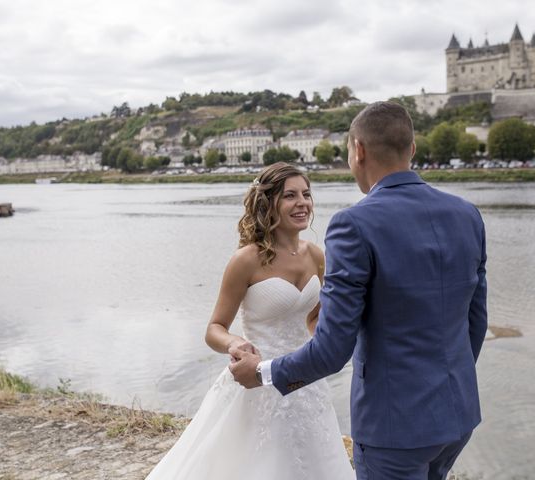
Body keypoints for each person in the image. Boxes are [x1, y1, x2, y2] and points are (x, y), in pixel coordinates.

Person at [230, 102, 488, 480]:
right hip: (458, 415)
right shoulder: (467, 214)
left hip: (394, 426)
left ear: (358, 151)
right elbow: (476, 322)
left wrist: (262, 372)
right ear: (412, 149)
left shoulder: (354, 224)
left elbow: (334, 350)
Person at [145, 162, 354, 479]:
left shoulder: (317, 255)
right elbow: (214, 329)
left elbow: (315, 316)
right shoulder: (246, 259)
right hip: (256, 377)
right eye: (290, 196)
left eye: (307, 194)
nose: (302, 203)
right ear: (268, 203)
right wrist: (237, 344)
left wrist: (325, 340)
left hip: (307, 378)